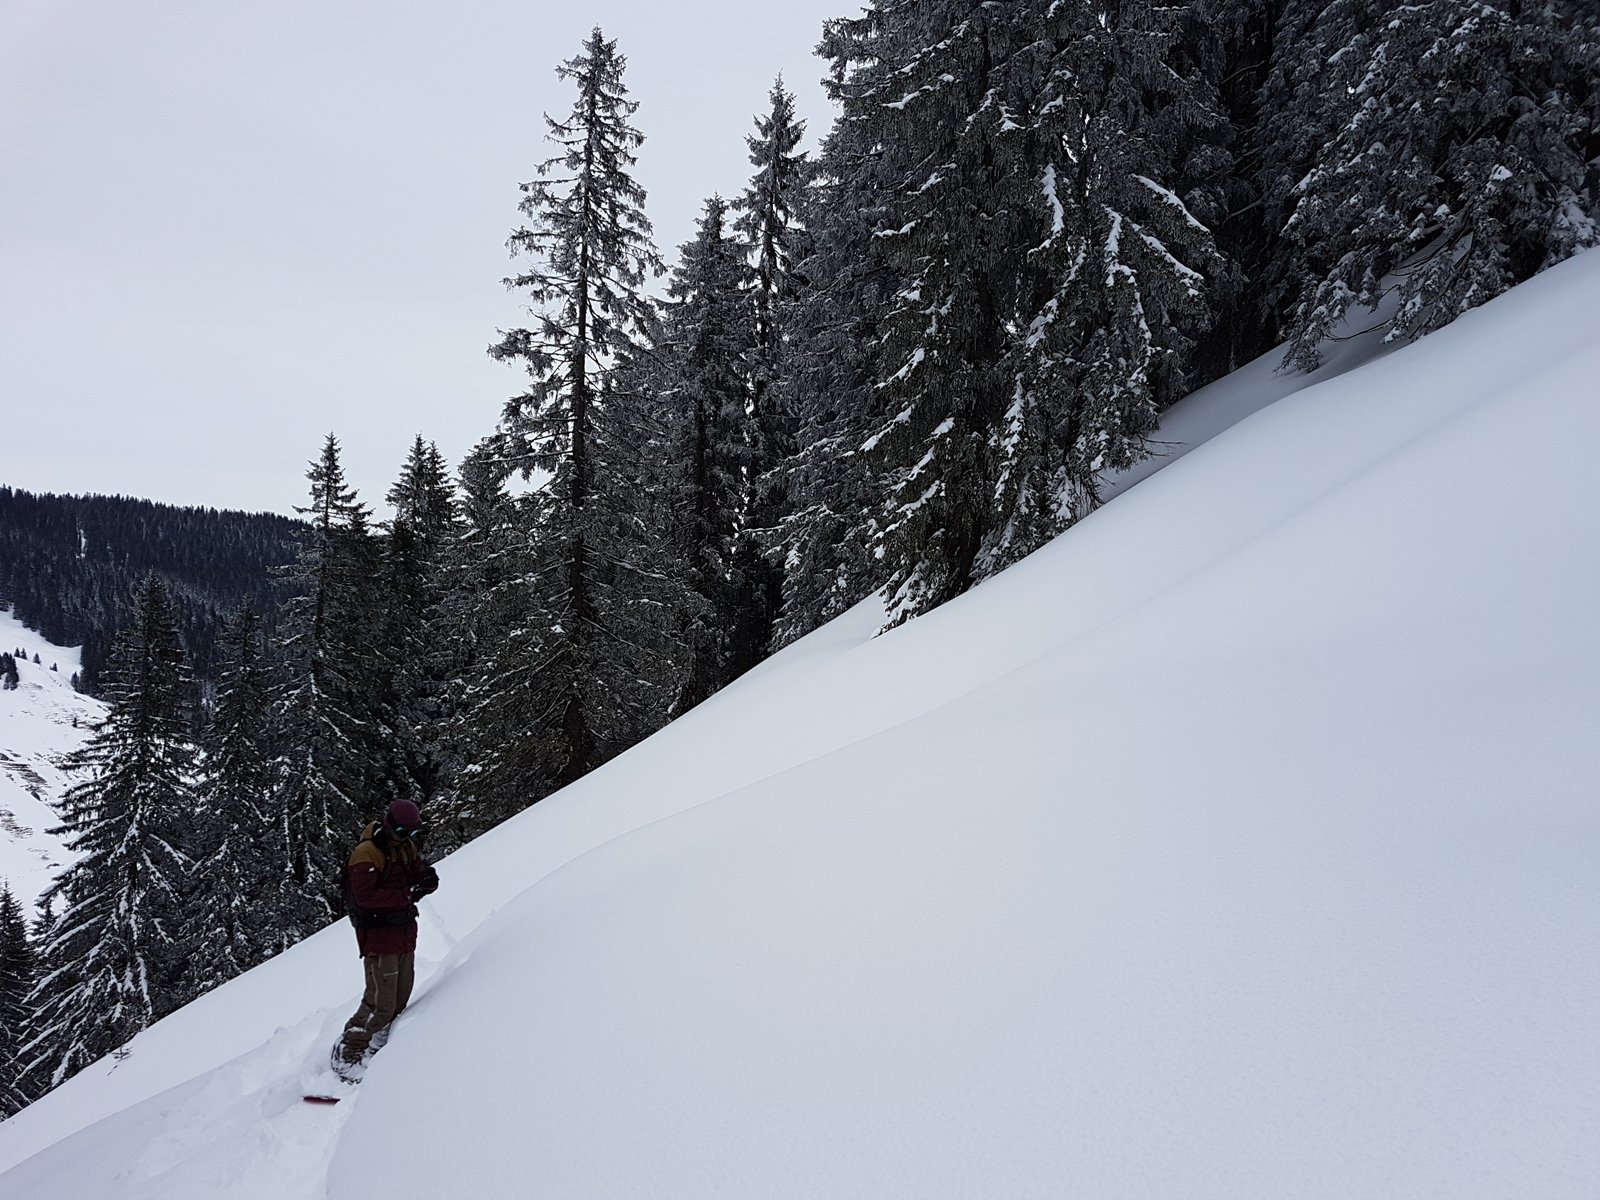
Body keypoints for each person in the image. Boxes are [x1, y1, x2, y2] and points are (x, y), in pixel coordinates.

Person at [335, 797, 439, 1076]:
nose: (407, 837)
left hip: (403, 932)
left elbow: (414, 870)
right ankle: (351, 1046)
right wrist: (406, 894)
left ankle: (381, 1039)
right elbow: (364, 897)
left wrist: (426, 877)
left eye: (413, 833)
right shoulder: (367, 853)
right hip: (378, 937)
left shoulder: (405, 847)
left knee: (401, 994)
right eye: (403, 832)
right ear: (389, 825)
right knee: (379, 1000)